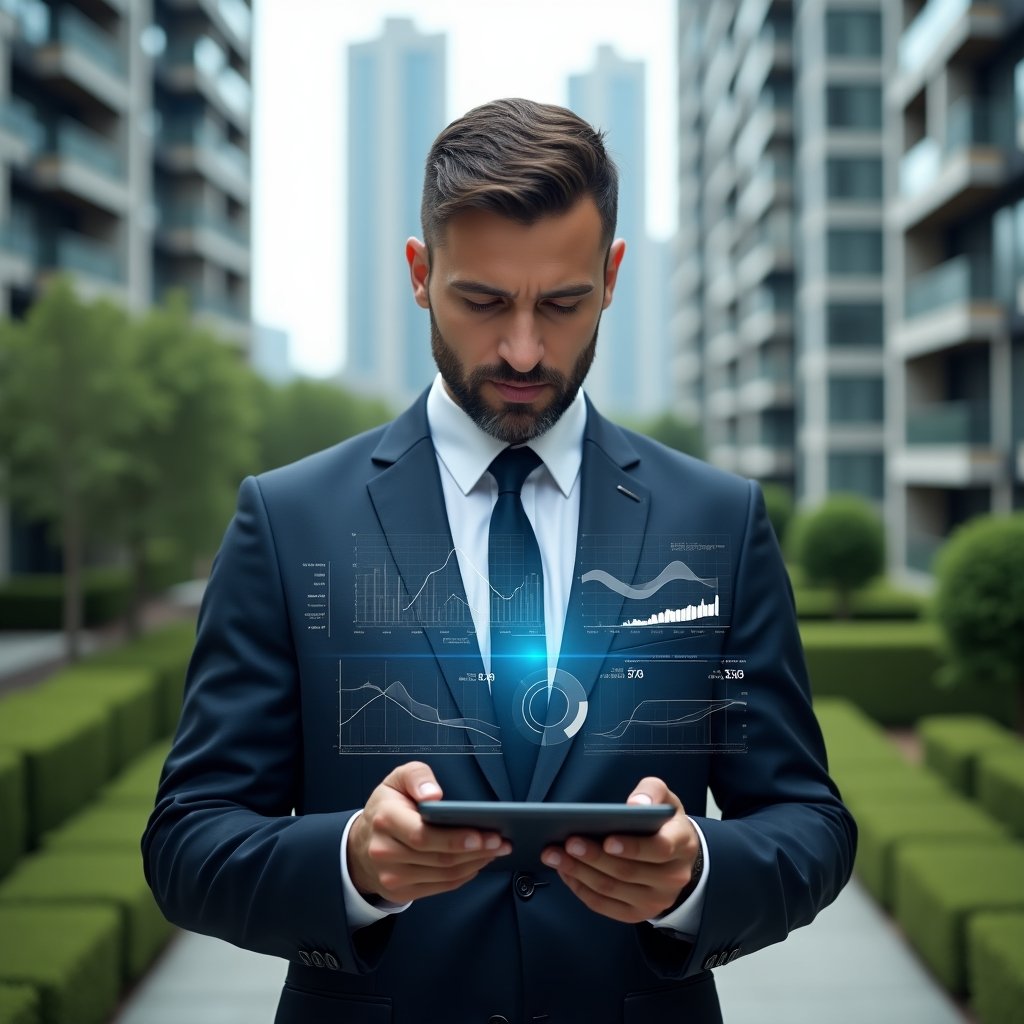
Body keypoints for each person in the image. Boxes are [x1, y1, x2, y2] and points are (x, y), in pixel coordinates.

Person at [143, 98, 856, 1024]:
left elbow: (811, 824)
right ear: (418, 273)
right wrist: (353, 864)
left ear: (611, 277)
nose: (523, 348)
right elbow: (188, 842)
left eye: (561, 304)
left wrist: (695, 876)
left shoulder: (718, 522)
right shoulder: (288, 522)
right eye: (482, 301)